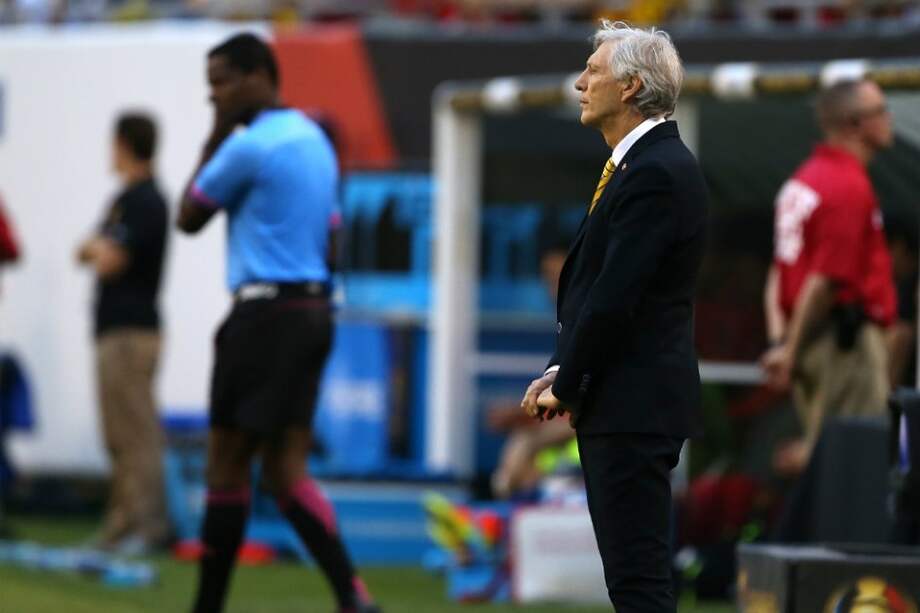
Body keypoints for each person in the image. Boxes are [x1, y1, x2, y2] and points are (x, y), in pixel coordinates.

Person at [176, 33, 379, 613]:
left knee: (225, 464)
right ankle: (352, 596)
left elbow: (188, 216)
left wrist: (217, 134)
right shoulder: (314, 139)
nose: (214, 95)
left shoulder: (249, 146)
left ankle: (207, 607)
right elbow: (333, 241)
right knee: (287, 471)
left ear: (257, 75)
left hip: (264, 312)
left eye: (221, 81)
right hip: (314, 311)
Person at [521, 21, 708, 612]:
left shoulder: (655, 172)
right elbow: (596, 293)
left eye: (593, 72)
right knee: (633, 579)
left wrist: (568, 380)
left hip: (634, 403)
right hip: (624, 401)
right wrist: (561, 370)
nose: (580, 83)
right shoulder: (638, 167)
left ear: (630, 87)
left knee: (639, 582)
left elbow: (616, 297)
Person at [761, 79, 897, 476]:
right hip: (842, 345)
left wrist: (782, 341)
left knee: (828, 459)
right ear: (856, 124)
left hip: (810, 342)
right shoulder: (847, 185)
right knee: (856, 465)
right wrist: (788, 350)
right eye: (881, 111)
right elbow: (824, 282)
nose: (889, 119)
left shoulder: (803, 180)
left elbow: (778, 271)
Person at [76, 112, 170, 555]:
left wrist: (99, 249)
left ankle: (148, 528)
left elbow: (109, 260)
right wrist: (98, 248)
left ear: (127, 144)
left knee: (137, 434)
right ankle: (120, 525)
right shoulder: (123, 200)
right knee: (117, 436)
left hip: (132, 334)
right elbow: (86, 250)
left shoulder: (146, 201)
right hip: (113, 331)